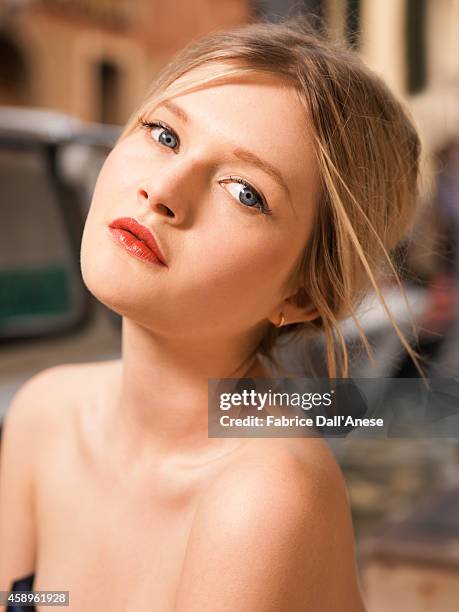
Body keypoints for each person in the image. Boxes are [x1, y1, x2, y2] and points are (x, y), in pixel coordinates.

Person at [0, 13, 424, 611]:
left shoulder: (265, 494)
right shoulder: (45, 412)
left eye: (245, 192)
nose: (165, 191)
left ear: (302, 295)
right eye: (165, 135)